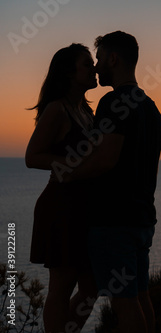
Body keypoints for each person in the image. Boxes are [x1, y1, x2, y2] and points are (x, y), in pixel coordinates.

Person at [64, 31, 161, 333]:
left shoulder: (114, 101)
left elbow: (105, 159)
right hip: (142, 219)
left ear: (113, 58)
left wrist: (68, 173)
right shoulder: (152, 108)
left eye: (98, 59)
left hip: (114, 222)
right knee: (140, 296)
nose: (96, 67)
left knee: (124, 303)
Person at [26, 43, 98, 333]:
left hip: (83, 206)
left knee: (92, 286)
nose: (93, 69)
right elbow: (33, 157)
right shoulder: (58, 110)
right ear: (69, 73)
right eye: (86, 64)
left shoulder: (86, 111)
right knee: (62, 285)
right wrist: (74, 164)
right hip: (60, 205)